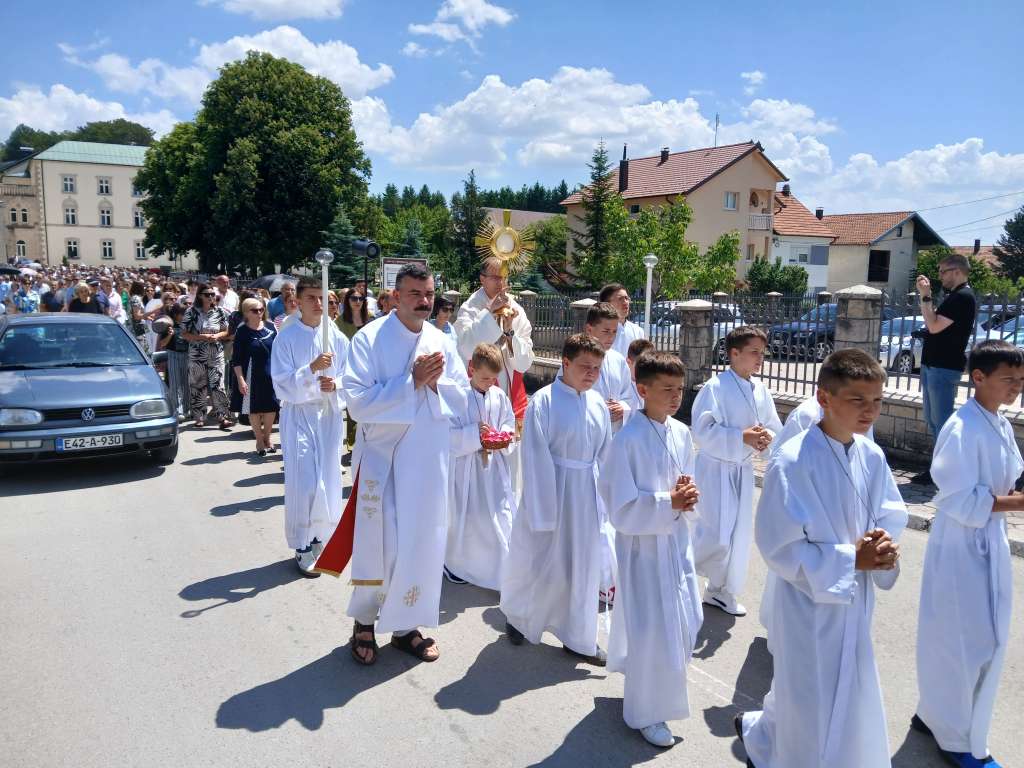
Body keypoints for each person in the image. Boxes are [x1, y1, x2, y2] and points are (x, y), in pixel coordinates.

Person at [736, 349, 907, 768]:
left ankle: (775, 740)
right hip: (808, 603)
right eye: (857, 399)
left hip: (855, 599)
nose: (869, 410)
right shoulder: (793, 460)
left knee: (848, 692)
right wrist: (852, 560)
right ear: (824, 398)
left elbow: (890, 512)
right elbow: (779, 545)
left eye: (877, 400)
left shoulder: (871, 455)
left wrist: (884, 546)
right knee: (807, 698)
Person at [324, 263, 468, 666]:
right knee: (380, 542)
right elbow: (357, 402)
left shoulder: (441, 340)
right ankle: (364, 622)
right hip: (384, 462)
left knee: (422, 541)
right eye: (415, 294)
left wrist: (436, 383)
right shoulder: (370, 339)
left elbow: (461, 398)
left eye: (429, 294)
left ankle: (406, 626)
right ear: (396, 296)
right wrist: (411, 382)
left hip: (429, 461)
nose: (424, 301)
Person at [913, 340, 1024, 768]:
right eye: (1008, 379)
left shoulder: (998, 423)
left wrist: (1010, 498)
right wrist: (1015, 503)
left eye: (1020, 379)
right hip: (961, 544)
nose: (1016, 387)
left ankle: (932, 713)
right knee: (962, 640)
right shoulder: (961, 428)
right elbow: (956, 497)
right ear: (978, 377)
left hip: (989, 537)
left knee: (981, 635)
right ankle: (957, 738)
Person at [604, 351, 702, 748]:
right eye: (667, 390)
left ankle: (649, 687)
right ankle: (645, 711)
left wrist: (688, 496)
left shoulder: (680, 432)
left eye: (680, 389)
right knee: (652, 631)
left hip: (675, 542)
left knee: (686, 619)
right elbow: (620, 507)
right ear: (642, 390)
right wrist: (668, 502)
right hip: (643, 549)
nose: (676, 397)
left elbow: (686, 480)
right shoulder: (627, 440)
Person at [500, 333, 613, 666]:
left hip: (586, 496)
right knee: (536, 559)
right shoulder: (544, 401)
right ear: (565, 363)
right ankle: (519, 616)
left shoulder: (598, 404)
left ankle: (578, 637)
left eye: (597, 368)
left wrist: (607, 501)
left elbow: (606, 456)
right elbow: (535, 455)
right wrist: (544, 511)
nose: (592, 373)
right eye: (585, 366)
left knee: (581, 567)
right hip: (550, 493)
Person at [691, 326, 782, 617]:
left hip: (741, 470)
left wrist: (766, 439)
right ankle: (680, 571)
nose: (760, 358)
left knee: (736, 534)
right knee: (714, 533)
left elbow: (773, 426)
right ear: (734, 353)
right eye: (754, 352)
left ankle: (719, 590)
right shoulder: (715, 387)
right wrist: (740, 437)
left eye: (762, 353)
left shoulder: (760, 390)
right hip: (715, 469)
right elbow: (702, 430)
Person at [270, 278, 349, 576]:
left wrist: (335, 384)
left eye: (322, 298)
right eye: (312, 298)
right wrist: (311, 370)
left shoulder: (336, 337)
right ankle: (301, 543)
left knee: (327, 477)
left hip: (327, 414)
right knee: (304, 480)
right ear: (298, 302)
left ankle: (320, 536)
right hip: (299, 414)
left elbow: (351, 374)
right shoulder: (286, 338)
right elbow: (281, 383)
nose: (318, 303)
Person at [444, 342, 517, 589]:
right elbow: (447, 436)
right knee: (470, 518)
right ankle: (457, 563)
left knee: (497, 515)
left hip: (494, 469)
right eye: (485, 378)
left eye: (494, 378)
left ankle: (498, 565)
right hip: (467, 470)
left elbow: (508, 421)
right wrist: (474, 434)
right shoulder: (458, 396)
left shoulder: (499, 395)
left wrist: (503, 435)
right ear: (471, 369)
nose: (490, 383)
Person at [914, 251, 977, 484]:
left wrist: (925, 295)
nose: (940, 276)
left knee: (942, 423)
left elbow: (933, 326)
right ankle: (938, 469)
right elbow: (934, 324)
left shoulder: (963, 298)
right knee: (933, 420)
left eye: (943, 272)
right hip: (934, 364)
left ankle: (944, 472)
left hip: (944, 366)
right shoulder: (954, 296)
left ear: (956, 271)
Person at [581, 302, 641, 434]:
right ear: (589, 329)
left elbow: (629, 396)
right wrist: (600, 409)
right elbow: (568, 396)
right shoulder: (575, 360)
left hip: (615, 434)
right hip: (587, 431)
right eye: (606, 331)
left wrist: (622, 407)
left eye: (614, 332)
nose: (611, 337)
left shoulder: (619, 360)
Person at [180, 282, 233, 430]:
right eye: (207, 295)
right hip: (197, 353)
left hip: (215, 352)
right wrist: (201, 337)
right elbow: (183, 333)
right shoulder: (191, 312)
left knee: (218, 384)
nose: (210, 297)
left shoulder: (220, 311)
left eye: (212, 294)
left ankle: (222, 416)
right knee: (198, 385)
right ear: (200, 296)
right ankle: (199, 417)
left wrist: (217, 336)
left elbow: (226, 331)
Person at [232, 298, 280, 457]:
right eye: (254, 310)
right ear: (246, 313)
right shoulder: (242, 331)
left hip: (271, 373)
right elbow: (237, 359)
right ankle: (259, 439)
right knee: (254, 408)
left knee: (271, 406)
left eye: (261, 309)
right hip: (250, 374)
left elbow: (279, 351)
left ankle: (267, 437)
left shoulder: (271, 327)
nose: (259, 313)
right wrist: (240, 380)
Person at [336, 288, 370, 449]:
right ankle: (353, 443)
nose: (357, 302)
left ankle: (367, 441)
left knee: (370, 405)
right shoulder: (339, 322)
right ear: (347, 301)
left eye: (360, 298)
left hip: (369, 367)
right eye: (354, 298)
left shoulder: (371, 319)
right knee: (353, 406)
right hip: (350, 368)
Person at [157, 304, 190, 420]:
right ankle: (177, 410)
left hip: (186, 354)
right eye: (182, 313)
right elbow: (162, 344)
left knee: (186, 383)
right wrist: (170, 335)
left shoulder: (187, 324)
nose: (185, 315)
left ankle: (187, 409)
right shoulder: (168, 325)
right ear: (176, 315)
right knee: (175, 383)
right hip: (173, 355)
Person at [600, 283, 646, 358]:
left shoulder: (638, 331)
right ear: (607, 304)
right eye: (620, 299)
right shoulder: (600, 331)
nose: (625, 302)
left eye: (626, 298)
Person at [626, 338, 655, 409]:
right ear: (628, 362)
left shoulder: (656, 385)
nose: (647, 369)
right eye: (641, 365)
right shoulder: (621, 387)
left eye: (651, 365)